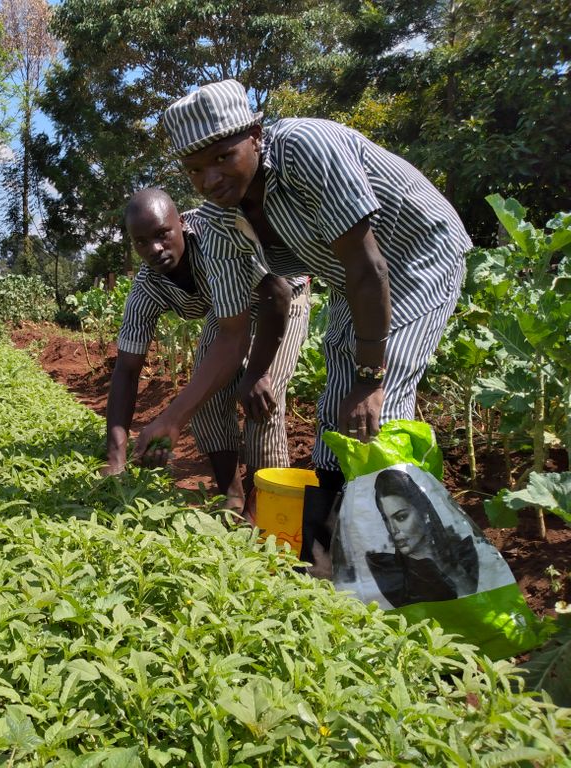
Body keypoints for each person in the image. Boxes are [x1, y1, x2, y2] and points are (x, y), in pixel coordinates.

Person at [136, 79, 471, 517]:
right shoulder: (218, 218)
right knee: (335, 406)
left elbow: (369, 264)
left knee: (376, 407)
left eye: (223, 157)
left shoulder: (306, 148)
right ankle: (330, 540)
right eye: (195, 170)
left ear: (255, 136)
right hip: (353, 279)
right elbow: (231, 334)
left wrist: (371, 376)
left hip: (418, 252)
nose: (210, 179)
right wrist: (173, 418)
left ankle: (403, 551)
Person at [105, 188, 310, 509]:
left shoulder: (214, 236)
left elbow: (277, 295)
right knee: (206, 401)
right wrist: (116, 456)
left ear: (180, 223)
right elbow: (127, 370)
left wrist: (256, 373)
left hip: (282, 298)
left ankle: (263, 508)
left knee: (261, 401)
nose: (155, 249)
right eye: (142, 242)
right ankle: (231, 498)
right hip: (228, 312)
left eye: (162, 234)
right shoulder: (147, 287)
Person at [366, 468, 478, 606]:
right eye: (386, 520)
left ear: (425, 514)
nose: (393, 529)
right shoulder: (387, 571)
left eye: (401, 517)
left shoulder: (465, 554)